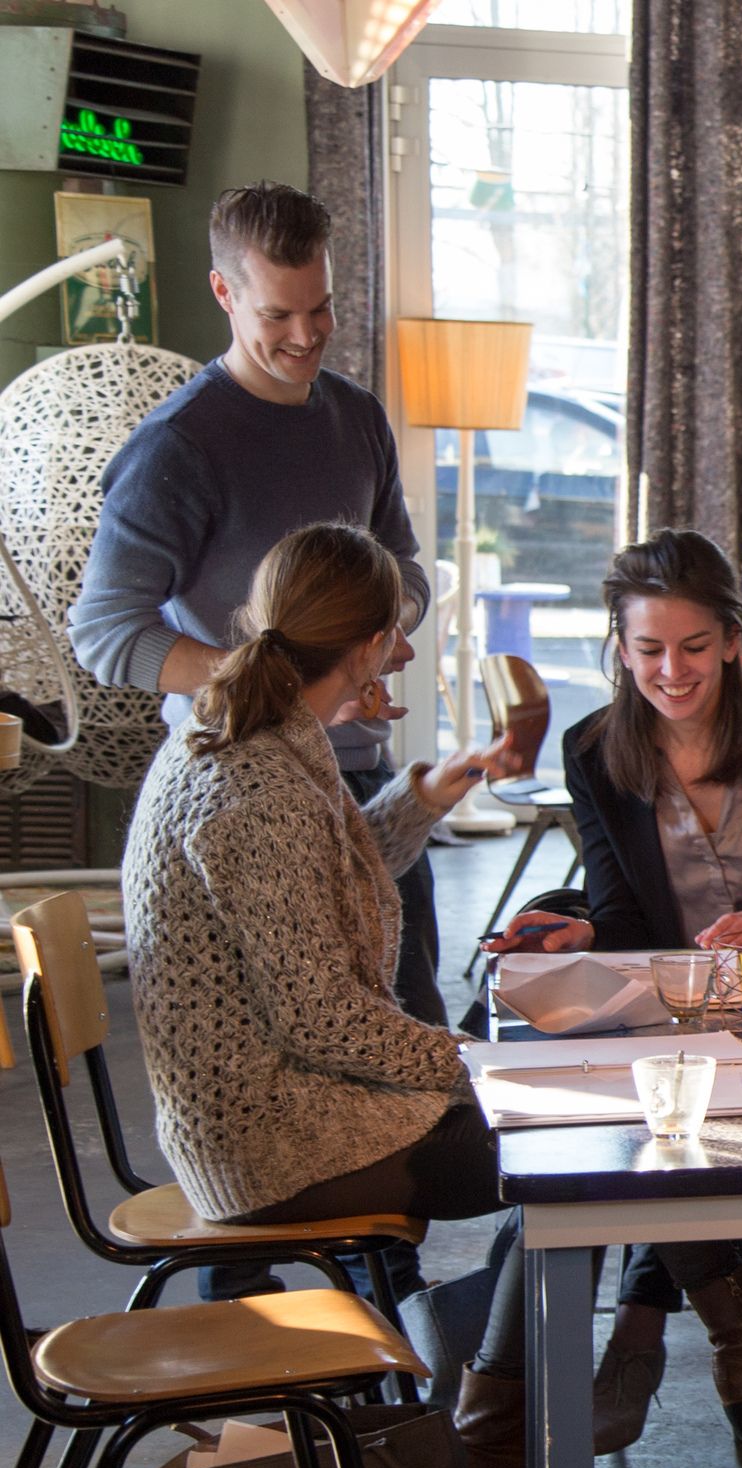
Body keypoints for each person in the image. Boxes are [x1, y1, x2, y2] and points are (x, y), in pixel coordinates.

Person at [122, 522, 742, 1468]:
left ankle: (520, 1422)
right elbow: (321, 1017)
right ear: (356, 645)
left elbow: (316, 875)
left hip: (288, 1109)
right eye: (395, 634)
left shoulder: (265, 741)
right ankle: (721, 1353)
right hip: (279, 1139)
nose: (404, 652)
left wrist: (419, 798)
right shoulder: (254, 780)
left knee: (601, 1136)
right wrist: (488, 1068)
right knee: (594, 1147)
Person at [69, 180, 439, 1303]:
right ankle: (275, 1387)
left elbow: (406, 572)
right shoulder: (177, 448)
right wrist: (277, 688)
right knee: (291, 1093)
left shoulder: (356, 415)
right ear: (225, 292)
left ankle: (389, 1378)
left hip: (350, 779)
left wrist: (374, 646)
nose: (303, 336)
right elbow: (105, 633)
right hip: (244, 784)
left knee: (393, 1078)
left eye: (319, 308)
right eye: (277, 314)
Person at [482, 528, 742, 1468]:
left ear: (735, 642)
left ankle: (640, 1340)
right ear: (619, 650)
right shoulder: (595, 749)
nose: (673, 672)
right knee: (678, 1118)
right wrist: (587, 932)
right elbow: (624, 909)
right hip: (670, 1003)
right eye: (648, 650)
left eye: (695, 648)